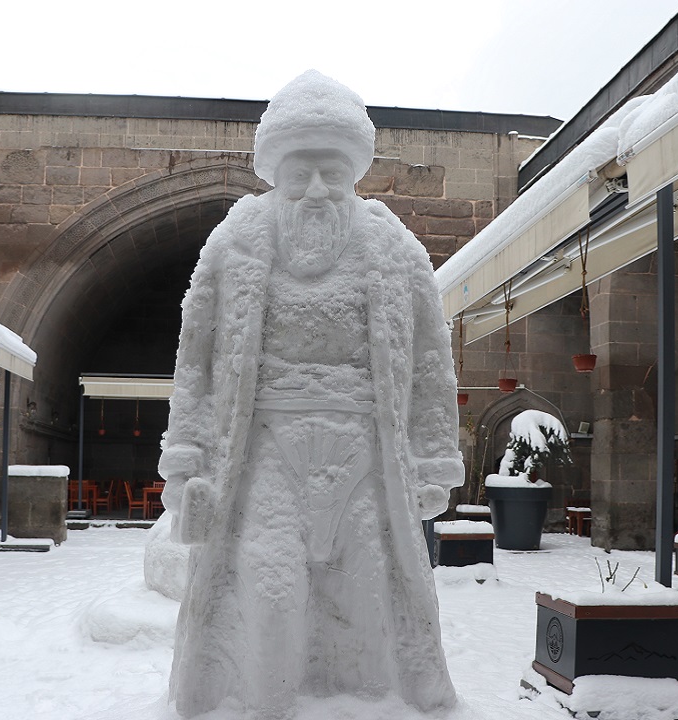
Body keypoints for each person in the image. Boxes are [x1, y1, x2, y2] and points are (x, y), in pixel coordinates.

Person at [159, 70, 463, 718]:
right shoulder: (235, 241)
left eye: (333, 170)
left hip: (365, 459)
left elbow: (432, 362)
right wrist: (185, 458)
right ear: (276, 172)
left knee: (369, 599)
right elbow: (197, 362)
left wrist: (435, 458)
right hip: (266, 455)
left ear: (354, 171)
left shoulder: (392, 246)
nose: (318, 189)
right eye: (302, 171)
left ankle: (371, 708)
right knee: (270, 595)